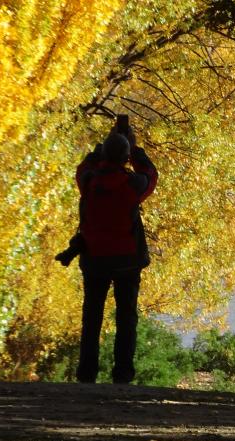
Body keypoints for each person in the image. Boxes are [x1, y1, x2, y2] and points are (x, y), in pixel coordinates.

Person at [75, 118, 158, 384]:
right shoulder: (132, 185)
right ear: (125, 159)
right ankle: (122, 375)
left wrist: (102, 149)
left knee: (92, 317)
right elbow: (151, 174)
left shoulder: (89, 182)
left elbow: (84, 166)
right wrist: (134, 148)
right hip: (127, 262)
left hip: (94, 259)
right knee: (126, 318)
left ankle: (86, 374)